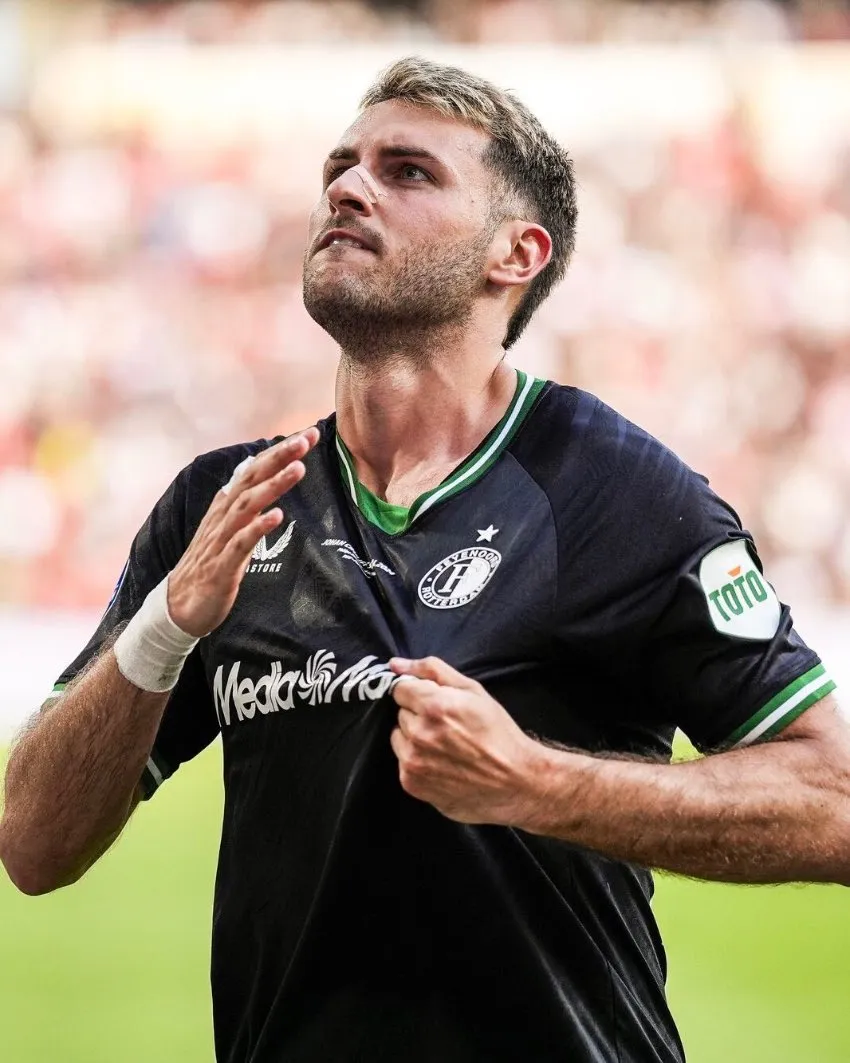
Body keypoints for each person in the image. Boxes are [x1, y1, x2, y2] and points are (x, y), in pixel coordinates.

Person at [1, 55, 848, 1063]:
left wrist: (534, 782)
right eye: (340, 168)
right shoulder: (224, 504)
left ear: (515, 255)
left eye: (407, 171)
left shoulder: (614, 487)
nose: (348, 188)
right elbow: (35, 842)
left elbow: (829, 799)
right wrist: (167, 624)